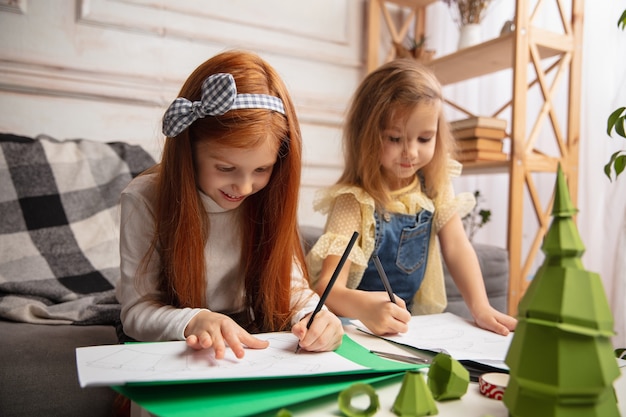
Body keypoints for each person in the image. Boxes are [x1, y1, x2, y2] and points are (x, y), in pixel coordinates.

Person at [116, 50, 343, 359]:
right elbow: (136, 312)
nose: (245, 187)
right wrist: (192, 320)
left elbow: (290, 287)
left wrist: (314, 315)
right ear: (189, 149)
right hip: (175, 341)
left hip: (248, 340)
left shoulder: (267, 196)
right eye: (225, 169)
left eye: (262, 169)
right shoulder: (143, 199)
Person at [306, 58, 517, 337]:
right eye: (394, 138)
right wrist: (365, 308)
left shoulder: (433, 187)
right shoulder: (354, 201)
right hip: (353, 329)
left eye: (425, 139)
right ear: (366, 137)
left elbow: (456, 247)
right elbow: (327, 290)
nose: (411, 152)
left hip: (410, 328)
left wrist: (481, 307)